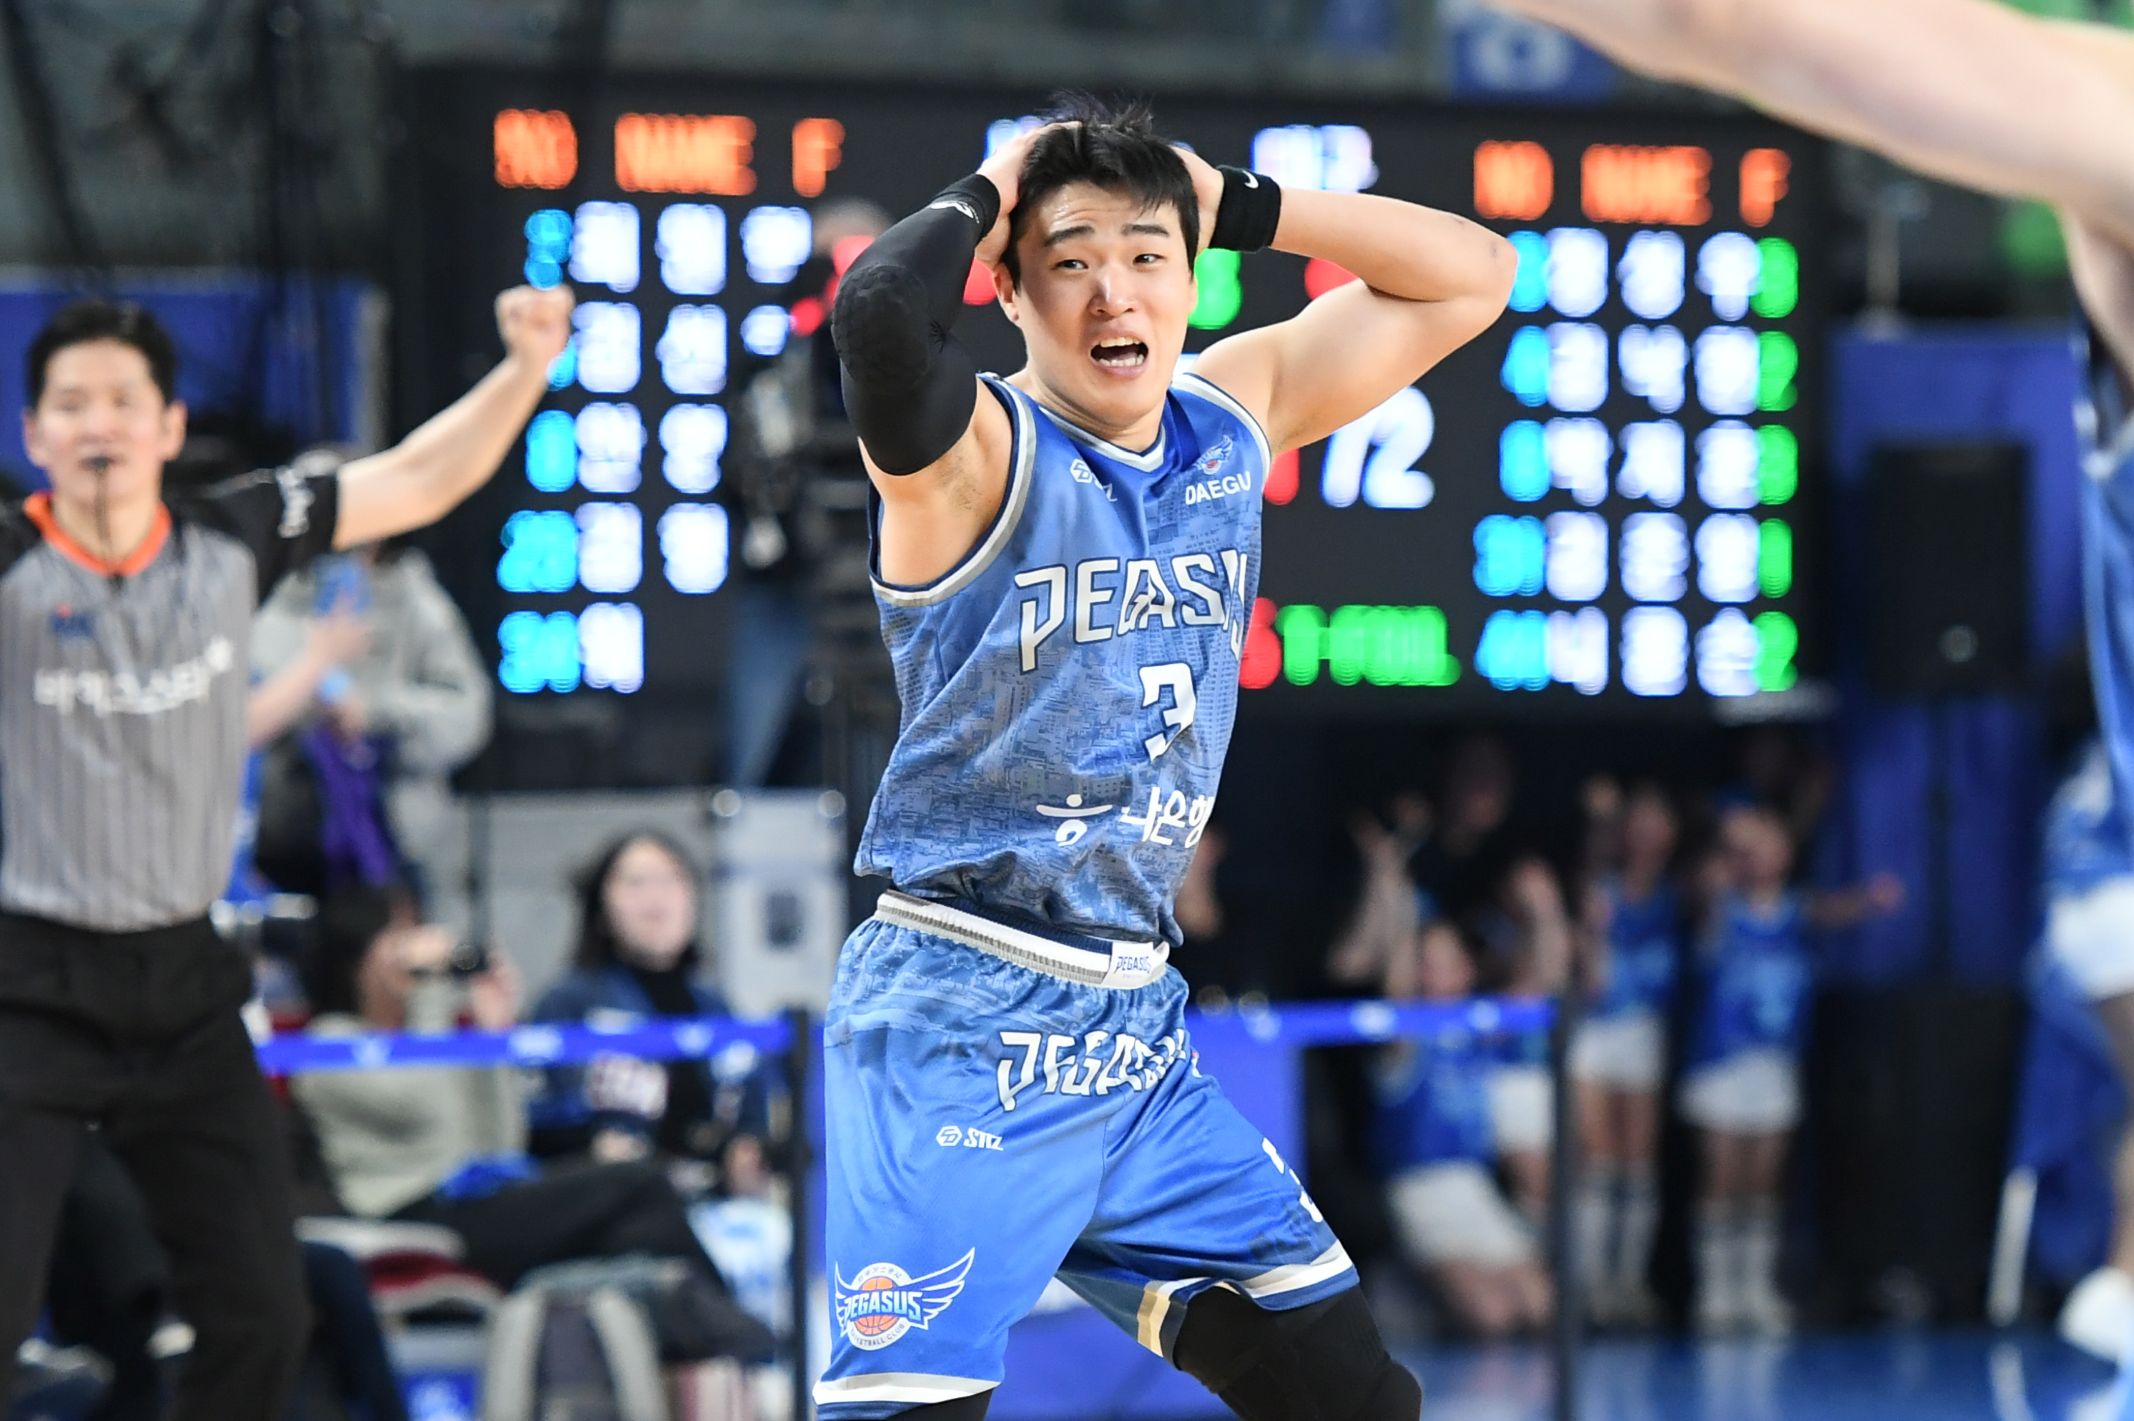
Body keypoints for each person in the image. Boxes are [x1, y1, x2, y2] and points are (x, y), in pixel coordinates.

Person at [820, 96, 1515, 1418]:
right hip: (962, 1003)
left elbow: (1474, 273)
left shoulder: (1229, 409)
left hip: (1130, 1024)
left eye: (1146, 256)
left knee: (1354, 1400)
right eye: (1070, 260)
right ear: (1008, 288)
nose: (1112, 293)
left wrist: (1236, 201)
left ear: (1191, 280)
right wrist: (996, 181)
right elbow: (878, 314)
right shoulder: (971, 452)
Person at [0, 285, 571, 1419]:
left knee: (265, 1314)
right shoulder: (10, 560)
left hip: (187, 988)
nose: (99, 423)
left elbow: (416, 478)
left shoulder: (236, 534)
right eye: (72, 404)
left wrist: (523, 371)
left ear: (169, 426)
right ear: (35, 435)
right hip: (32, 988)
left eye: (123, 400)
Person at [1679, 804, 1902, 1334]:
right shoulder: (1721, 906)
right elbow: (1702, 882)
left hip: (1774, 1062)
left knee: (1763, 1180)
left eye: (1772, 845)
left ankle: (1754, 1287)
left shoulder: (1796, 911)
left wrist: (1871, 900)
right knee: (1722, 1175)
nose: (1762, 856)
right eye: (1751, 848)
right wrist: (1733, 837)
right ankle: (1715, 1290)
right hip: (1722, 1060)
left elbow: (1833, 909)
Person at [529, 830, 772, 1196]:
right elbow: (536, 1124)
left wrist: (748, 1151)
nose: (655, 897)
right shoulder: (568, 1004)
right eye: (636, 882)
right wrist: (592, 1147)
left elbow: (754, 1117)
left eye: (670, 879)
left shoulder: (717, 1007)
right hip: (613, 1203)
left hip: (715, 1204)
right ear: (601, 908)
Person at [1374, 922, 1554, 1339]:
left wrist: (1540, 910)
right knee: (1491, 1315)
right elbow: (1395, 996)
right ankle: (1407, 1288)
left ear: (1466, 970)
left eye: (1445, 963)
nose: (1433, 974)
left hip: (1474, 1187)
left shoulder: (1482, 1028)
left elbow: (1540, 983)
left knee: (1541, 1304)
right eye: (1425, 963)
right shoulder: (1406, 1036)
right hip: (1421, 1189)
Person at [1572, 781, 1683, 1327]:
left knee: (1637, 1162)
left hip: (1645, 1027)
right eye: (1635, 823)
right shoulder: (1600, 886)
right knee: (1597, 1158)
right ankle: (1591, 1284)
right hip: (1596, 1027)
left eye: (1655, 822)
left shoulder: (1680, 891)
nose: (1644, 834)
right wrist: (1600, 824)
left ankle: (1629, 1282)